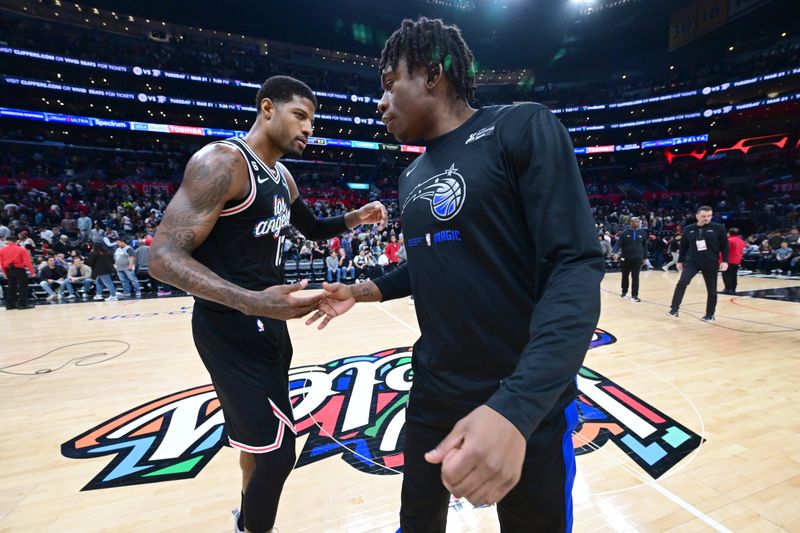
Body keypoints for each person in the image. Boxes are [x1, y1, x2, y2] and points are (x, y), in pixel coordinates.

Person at [308, 18, 604, 533]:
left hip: (521, 395)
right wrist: (357, 290)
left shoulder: (521, 127)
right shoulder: (411, 174)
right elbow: (427, 262)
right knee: (417, 523)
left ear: (431, 74)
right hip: (434, 389)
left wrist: (517, 408)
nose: (379, 102)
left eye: (388, 84)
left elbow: (575, 266)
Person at [148, 75, 387, 533]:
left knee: (258, 446)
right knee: (281, 454)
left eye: (312, 121)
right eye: (300, 115)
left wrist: (353, 217)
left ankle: (246, 511)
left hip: (269, 322)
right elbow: (161, 257)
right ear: (267, 109)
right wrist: (251, 302)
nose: (308, 128)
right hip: (228, 326)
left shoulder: (283, 177)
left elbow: (312, 228)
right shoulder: (223, 162)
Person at [669, 206, 729, 320]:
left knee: (711, 289)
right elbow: (683, 246)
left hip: (710, 262)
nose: (706, 218)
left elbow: (725, 246)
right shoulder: (688, 229)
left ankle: (710, 314)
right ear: (697, 216)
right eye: (703, 216)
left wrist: (725, 261)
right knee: (682, 283)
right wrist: (680, 260)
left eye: (709, 216)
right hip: (692, 262)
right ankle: (674, 309)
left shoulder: (719, 228)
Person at [612, 217, 647, 302]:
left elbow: (645, 247)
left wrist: (644, 258)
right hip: (625, 258)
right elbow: (618, 244)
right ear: (631, 222)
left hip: (637, 258)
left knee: (635, 277)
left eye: (638, 221)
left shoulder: (643, 233)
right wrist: (615, 252)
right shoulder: (624, 233)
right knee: (625, 275)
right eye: (636, 221)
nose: (638, 223)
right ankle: (624, 291)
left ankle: (635, 295)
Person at [0, 234, 36, 309]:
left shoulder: (2, 250)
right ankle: (22, 304)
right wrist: (32, 272)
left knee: (11, 287)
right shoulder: (21, 249)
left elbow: (1, 263)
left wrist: (4, 273)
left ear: (7, 241)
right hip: (18, 269)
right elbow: (27, 262)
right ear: (16, 241)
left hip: (8, 270)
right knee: (23, 287)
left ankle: (10, 305)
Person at [720, 228, 744, 294]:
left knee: (726, 275)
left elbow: (725, 251)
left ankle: (728, 289)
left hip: (728, 260)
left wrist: (721, 260)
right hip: (737, 260)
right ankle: (733, 289)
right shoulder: (741, 241)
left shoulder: (729, 240)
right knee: (734, 275)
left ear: (729, 233)